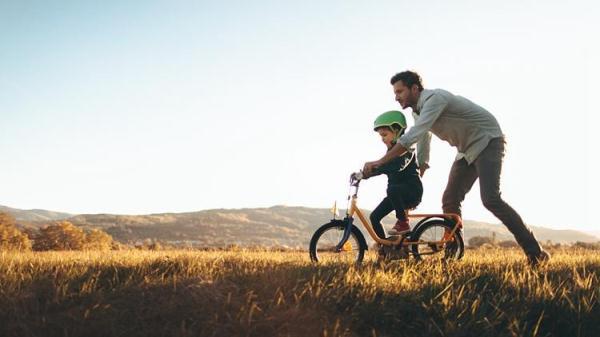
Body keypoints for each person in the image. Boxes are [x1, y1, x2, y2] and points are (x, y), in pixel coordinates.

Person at [362, 70, 550, 266]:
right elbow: (424, 137)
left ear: (414, 88)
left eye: (400, 91)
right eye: (395, 93)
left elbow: (413, 135)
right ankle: (453, 253)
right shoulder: (418, 111)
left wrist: (379, 162)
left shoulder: (435, 99)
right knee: (450, 199)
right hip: (466, 151)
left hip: (488, 140)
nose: (396, 97)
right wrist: (422, 164)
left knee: (491, 199)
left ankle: (536, 253)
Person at [352, 110, 423, 238]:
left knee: (392, 189)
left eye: (384, 135)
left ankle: (403, 223)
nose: (382, 139)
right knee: (374, 217)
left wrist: (377, 166)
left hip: (411, 191)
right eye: (381, 136)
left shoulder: (407, 149)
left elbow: (397, 167)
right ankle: (386, 247)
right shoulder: (390, 151)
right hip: (396, 193)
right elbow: (385, 167)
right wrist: (364, 174)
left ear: (397, 131)